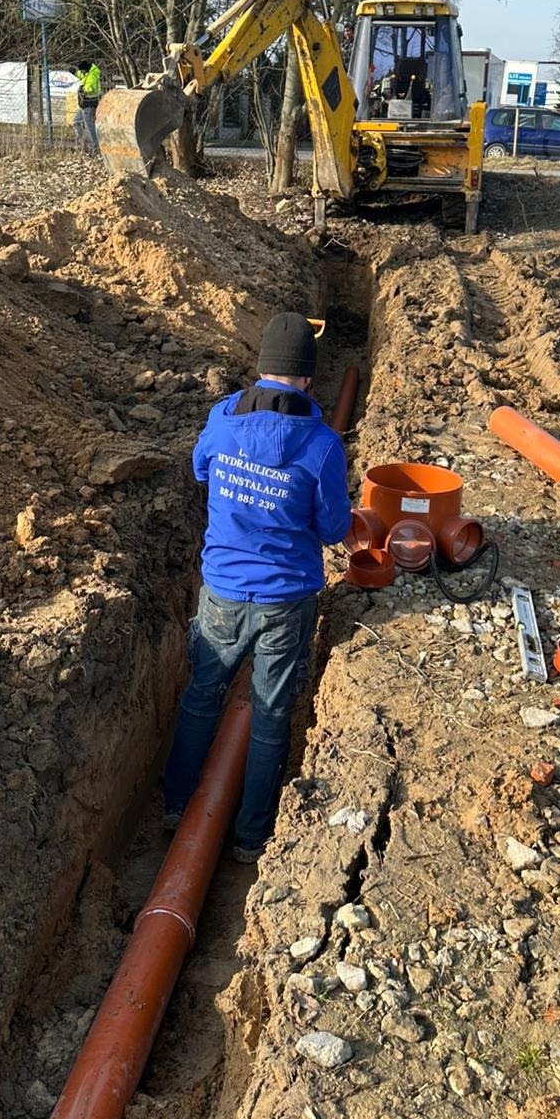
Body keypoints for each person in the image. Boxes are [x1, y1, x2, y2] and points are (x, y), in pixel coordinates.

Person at [163, 313, 353, 862]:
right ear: (309, 380)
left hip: (221, 590)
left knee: (202, 698)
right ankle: (250, 838)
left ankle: (177, 805)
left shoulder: (223, 420)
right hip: (285, 601)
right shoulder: (321, 446)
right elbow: (334, 529)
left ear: (261, 369)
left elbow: (202, 470)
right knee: (271, 714)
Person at [73, 59, 101, 156]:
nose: (81, 73)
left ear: (86, 69)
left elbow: (90, 88)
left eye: (82, 71)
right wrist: (74, 72)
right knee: (76, 122)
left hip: (89, 104)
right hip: (84, 104)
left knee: (90, 127)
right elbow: (80, 75)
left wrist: (83, 89)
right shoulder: (87, 72)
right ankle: (83, 145)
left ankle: (96, 149)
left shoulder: (93, 75)